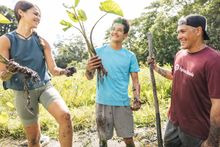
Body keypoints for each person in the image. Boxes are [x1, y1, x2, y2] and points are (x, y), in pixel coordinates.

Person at [0, 1, 76, 147]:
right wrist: (10, 69)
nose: (38, 17)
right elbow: (2, 75)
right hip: (23, 92)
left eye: (40, 15)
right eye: (35, 13)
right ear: (21, 12)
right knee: (34, 140)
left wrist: (65, 71)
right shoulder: (6, 40)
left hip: (44, 86)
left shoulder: (42, 42)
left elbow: (54, 70)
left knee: (65, 116)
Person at [148, 14, 220, 147]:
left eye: (182, 31)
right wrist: (156, 68)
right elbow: (176, 77)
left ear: (198, 31)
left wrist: (212, 142)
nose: (178, 36)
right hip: (174, 122)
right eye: (178, 32)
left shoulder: (213, 60)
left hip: (196, 130)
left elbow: (218, 105)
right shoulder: (180, 54)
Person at [85, 17, 142, 147]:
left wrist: (137, 98)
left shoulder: (130, 56)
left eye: (119, 30)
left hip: (122, 103)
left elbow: (135, 80)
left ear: (125, 35)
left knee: (128, 139)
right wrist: (88, 69)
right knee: (103, 140)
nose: (115, 32)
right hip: (102, 103)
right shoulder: (98, 52)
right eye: (113, 29)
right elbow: (89, 76)